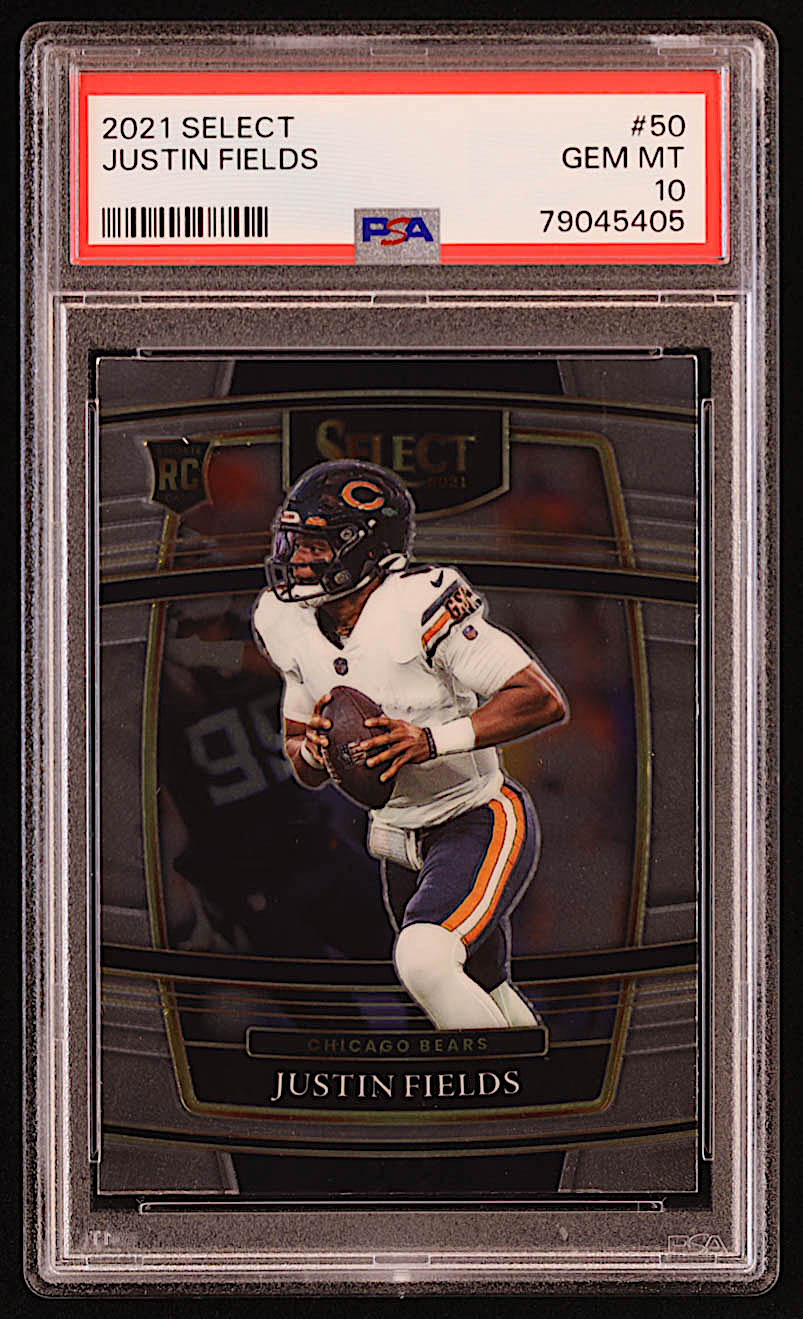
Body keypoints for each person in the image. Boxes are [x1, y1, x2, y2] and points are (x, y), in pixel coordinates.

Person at [252, 459, 568, 1030]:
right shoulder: (285, 620)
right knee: (481, 986)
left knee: (425, 961)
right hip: (397, 838)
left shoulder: (419, 604)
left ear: (367, 551)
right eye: (294, 541)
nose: (297, 558)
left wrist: (431, 741)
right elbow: (300, 754)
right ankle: (543, 1071)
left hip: (476, 816)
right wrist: (315, 750)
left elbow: (539, 697)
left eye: (317, 546)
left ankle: (490, 1086)